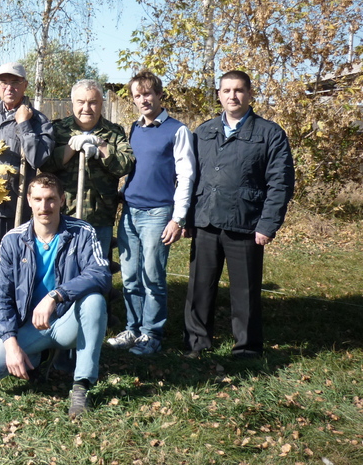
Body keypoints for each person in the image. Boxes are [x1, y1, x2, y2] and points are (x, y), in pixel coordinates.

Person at [0, 173, 111, 419]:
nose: (44, 206)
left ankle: (82, 385)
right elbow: (0, 297)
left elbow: (100, 273)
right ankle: (36, 357)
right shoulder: (12, 240)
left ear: (62, 200)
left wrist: (56, 295)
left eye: (50, 199)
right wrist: (11, 344)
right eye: (37, 199)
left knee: (94, 300)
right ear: (28, 200)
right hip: (30, 326)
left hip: (68, 321)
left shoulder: (82, 232)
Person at [184, 70, 294, 359]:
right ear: (219, 94)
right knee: (199, 288)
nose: (232, 96)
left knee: (245, 292)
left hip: (246, 224)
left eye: (239, 90)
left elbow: (280, 183)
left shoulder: (269, 134)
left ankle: (246, 348)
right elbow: (189, 177)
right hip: (205, 220)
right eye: (226, 90)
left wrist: (268, 224)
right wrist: (187, 218)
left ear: (249, 94)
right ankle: (197, 343)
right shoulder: (203, 132)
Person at [108, 70, 195, 356]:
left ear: (159, 95)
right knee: (130, 276)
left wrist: (178, 218)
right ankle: (132, 329)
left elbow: (186, 176)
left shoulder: (176, 130)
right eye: (137, 95)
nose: (143, 100)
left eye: (148, 93)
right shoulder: (133, 129)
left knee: (152, 276)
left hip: (158, 213)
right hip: (130, 213)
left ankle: (151, 334)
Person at [0, 62, 54, 285]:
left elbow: (38, 159)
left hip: (14, 207)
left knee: (11, 265)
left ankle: (11, 313)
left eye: (15, 83)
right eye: (4, 82)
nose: (9, 88)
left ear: (25, 86)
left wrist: (23, 124)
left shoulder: (39, 121)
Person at [40, 79, 134, 258]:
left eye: (93, 102)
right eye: (81, 102)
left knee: (96, 270)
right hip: (62, 213)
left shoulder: (114, 132)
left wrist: (101, 146)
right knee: (61, 265)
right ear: (72, 103)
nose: (86, 108)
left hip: (99, 216)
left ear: (101, 104)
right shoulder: (57, 130)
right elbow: (45, 165)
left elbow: (125, 165)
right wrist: (70, 148)